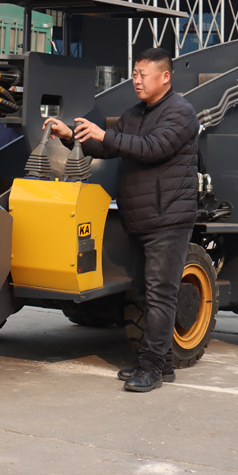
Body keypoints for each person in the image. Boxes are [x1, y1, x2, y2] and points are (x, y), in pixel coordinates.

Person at [43, 47, 199, 393]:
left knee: (160, 294)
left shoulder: (181, 113)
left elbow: (153, 148)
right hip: (141, 218)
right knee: (144, 292)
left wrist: (105, 135)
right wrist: (70, 136)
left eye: (143, 75)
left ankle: (152, 367)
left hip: (168, 218)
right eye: (134, 75)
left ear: (165, 77)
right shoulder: (136, 114)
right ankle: (163, 361)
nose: (137, 81)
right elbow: (109, 148)